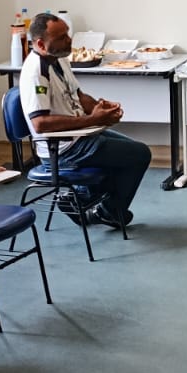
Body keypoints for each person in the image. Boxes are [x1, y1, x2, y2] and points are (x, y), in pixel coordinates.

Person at [21, 13, 154, 229]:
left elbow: (79, 96)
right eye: (61, 38)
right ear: (41, 44)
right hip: (62, 149)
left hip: (79, 137)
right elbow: (40, 123)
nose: (69, 40)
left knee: (132, 150)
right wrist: (92, 119)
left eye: (67, 34)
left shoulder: (60, 58)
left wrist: (101, 108)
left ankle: (80, 199)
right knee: (139, 154)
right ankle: (106, 210)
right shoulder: (36, 72)